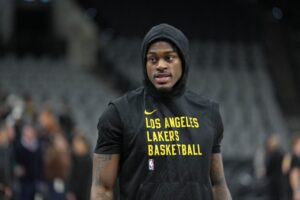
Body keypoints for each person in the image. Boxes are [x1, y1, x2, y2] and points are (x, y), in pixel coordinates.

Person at [91, 23, 232, 200]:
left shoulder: (208, 113)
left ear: (183, 60)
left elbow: (218, 184)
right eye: (153, 59)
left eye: (169, 58)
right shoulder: (119, 113)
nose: (161, 66)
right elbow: (102, 188)